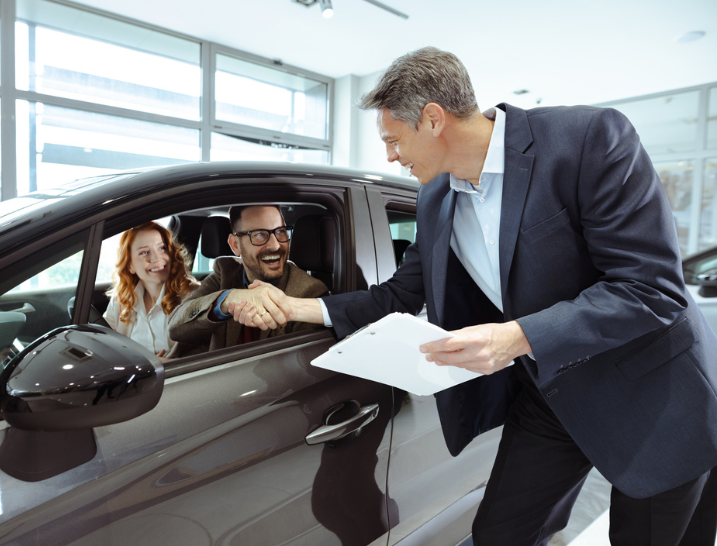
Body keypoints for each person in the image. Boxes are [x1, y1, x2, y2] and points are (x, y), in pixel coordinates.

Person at [228, 48, 717, 545]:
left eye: (393, 140)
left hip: (649, 389)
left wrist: (517, 337)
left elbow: (649, 287)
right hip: (551, 391)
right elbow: (398, 295)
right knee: (499, 534)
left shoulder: (587, 139)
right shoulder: (435, 198)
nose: (390, 156)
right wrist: (295, 307)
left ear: (433, 119)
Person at [167, 205, 328, 355]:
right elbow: (176, 328)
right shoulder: (225, 273)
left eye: (280, 232)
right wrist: (229, 298)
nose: (275, 245)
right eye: (259, 234)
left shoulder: (310, 292)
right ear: (235, 245)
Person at [104, 221, 196, 359]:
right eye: (144, 252)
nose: (156, 258)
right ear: (130, 266)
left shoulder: (193, 295)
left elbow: (205, 352)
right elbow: (105, 344)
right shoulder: (121, 299)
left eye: (162, 248)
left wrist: (169, 364)